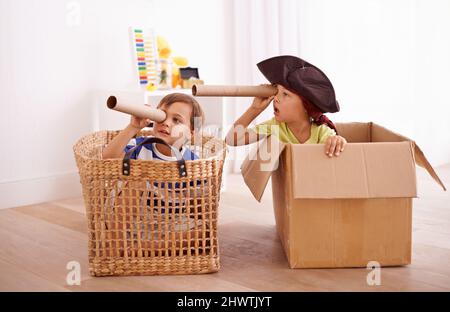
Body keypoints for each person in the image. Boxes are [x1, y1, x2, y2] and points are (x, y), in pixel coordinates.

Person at [225, 55, 347, 157]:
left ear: (306, 106)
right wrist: (255, 109)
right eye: (276, 92)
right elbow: (231, 140)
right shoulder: (274, 127)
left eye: (285, 94)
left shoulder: (321, 132)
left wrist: (338, 140)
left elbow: (338, 147)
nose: (276, 98)